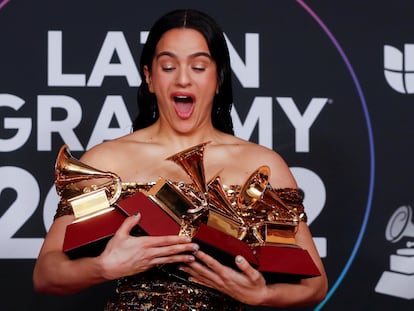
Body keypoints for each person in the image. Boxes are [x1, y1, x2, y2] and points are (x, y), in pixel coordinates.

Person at [33, 8, 328, 310]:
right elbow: (46, 273)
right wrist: (103, 267)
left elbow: (315, 285)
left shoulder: (262, 165)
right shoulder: (108, 160)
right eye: (168, 66)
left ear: (218, 79)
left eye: (199, 67)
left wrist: (262, 294)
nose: (183, 79)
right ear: (149, 77)